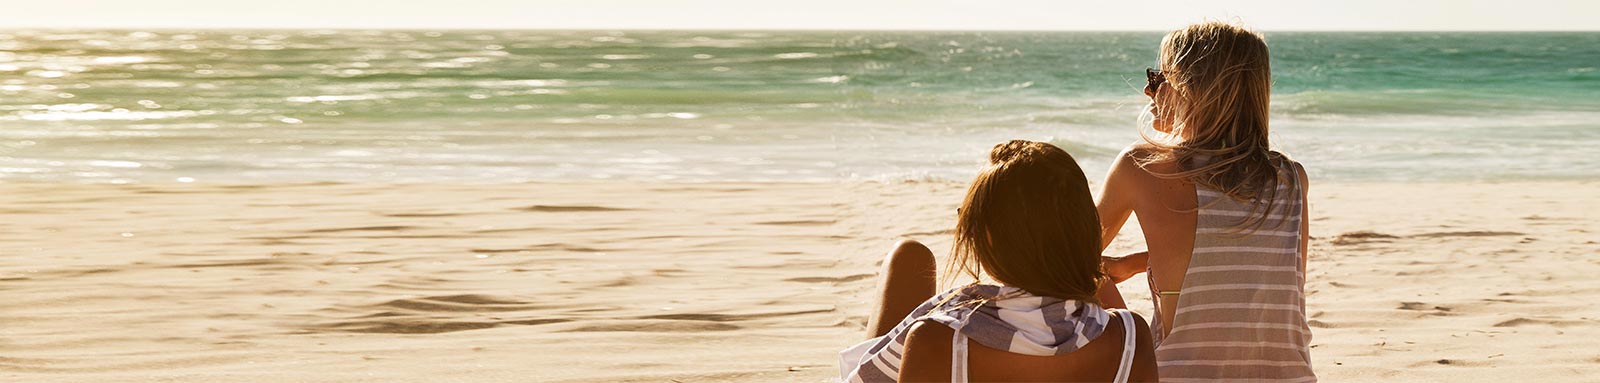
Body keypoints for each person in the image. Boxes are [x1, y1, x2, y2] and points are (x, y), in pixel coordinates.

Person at [1094, 21, 1316, 381]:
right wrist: (1138, 263)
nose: (1150, 92)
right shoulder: (1291, 178)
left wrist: (1124, 315)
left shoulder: (1143, 167)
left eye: (1158, 77)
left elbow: (1060, 263)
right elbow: (1258, 272)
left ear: (1189, 89)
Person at [840, 140, 1157, 383]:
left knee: (908, 256)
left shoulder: (938, 339)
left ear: (989, 236)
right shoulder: (1131, 335)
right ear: (1085, 228)